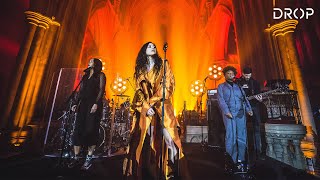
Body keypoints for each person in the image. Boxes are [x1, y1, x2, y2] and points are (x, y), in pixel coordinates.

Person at [123, 42, 186, 179]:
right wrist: (146, 106)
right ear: (144, 50)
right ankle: (153, 171)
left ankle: (173, 171)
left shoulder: (163, 63)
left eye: (154, 46)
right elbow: (139, 90)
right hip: (147, 108)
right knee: (149, 139)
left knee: (170, 139)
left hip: (162, 106)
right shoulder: (141, 68)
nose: (153, 48)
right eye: (149, 46)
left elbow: (168, 85)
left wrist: (151, 103)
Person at [68, 58, 106, 170]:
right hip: (82, 105)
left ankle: (88, 158)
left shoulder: (101, 75)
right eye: (88, 61)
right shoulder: (85, 75)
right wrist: (75, 103)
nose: (89, 62)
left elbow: (101, 90)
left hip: (93, 104)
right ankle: (76, 157)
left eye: (91, 61)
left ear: (96, 64)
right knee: (78, 130)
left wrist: (96, 103)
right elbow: (80, 90)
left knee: (91, 130)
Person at [217, 66, 253, 173]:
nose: (230, 75)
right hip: (229, 114)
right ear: (225, 75)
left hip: (240, 114)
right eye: (228, 73)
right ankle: (231, 161)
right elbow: (221, 100)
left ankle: (241, 160)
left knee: (242, 136)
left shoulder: (238, 86)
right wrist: (226, 111)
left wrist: (248, 109)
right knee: (230, 137)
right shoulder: (221, 87)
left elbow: (244, 99)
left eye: (232, 74)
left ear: (234, 75)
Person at [236, 67, 263, 160]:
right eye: (246, 75)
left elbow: (259, 94)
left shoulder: (255, 83)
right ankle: (243, 151)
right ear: (242, 74)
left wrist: (260, 99)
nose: (248, 77)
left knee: (257, 127)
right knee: (242, 128)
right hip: (242, 107)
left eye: (249, 75)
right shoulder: (238, 82)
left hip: (254, 106)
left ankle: (258, 151)